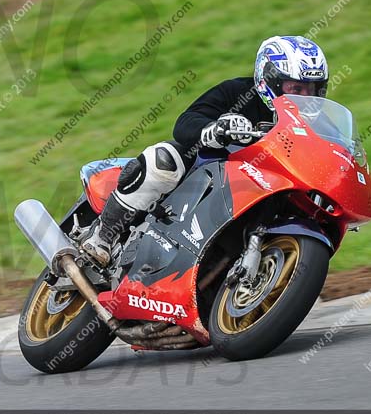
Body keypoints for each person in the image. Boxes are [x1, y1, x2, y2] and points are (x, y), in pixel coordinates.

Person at [82, 35, 330, 267]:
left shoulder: (318, 126)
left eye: (313, 89)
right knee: (164, 159)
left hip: (266, 192)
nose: (305, 96)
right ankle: (104, 233)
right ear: (269, 80)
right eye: (296, 89)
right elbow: (186, 122)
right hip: (210, 175)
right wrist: (213, 129)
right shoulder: (237, 93)